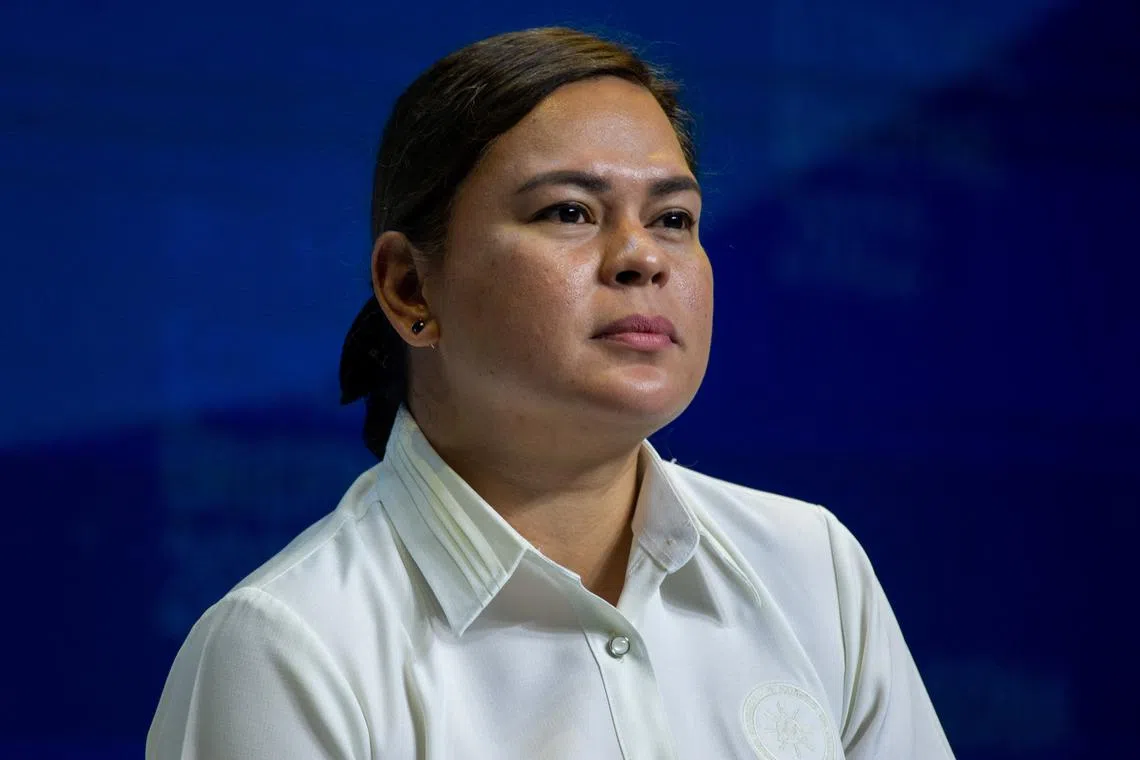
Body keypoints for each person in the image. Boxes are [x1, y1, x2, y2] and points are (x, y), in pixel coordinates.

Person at [147, 27, 954, 759]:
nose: (643, 257)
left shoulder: (811, 567)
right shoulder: (292, 648)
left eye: (674, 218)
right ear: (408, 290)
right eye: (570, 212)